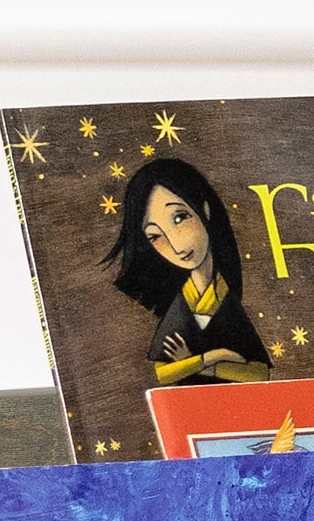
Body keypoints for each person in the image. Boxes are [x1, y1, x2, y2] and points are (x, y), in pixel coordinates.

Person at [105, 156, 273, 383]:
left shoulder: (225, 299)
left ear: (204, 209)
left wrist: (197, 364)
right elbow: (163, 373)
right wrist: (213, 358)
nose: (176, 246)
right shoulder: (181, 305)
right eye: (155, 236)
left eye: (180, 217)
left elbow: (259, 374)